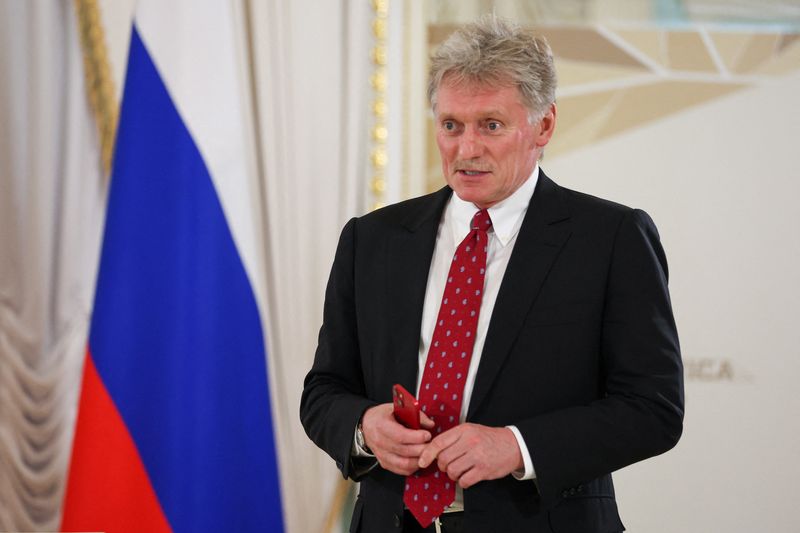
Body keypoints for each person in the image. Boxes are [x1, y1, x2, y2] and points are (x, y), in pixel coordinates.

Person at [301, 15, 683, 533]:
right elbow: (324, 390)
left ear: (543, 126)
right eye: (451, 125)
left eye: (492, 125)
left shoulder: (611, 238)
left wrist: (517, 446)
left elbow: (653, 409)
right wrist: (365, 428)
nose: (466, 149)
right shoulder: (373, 239)